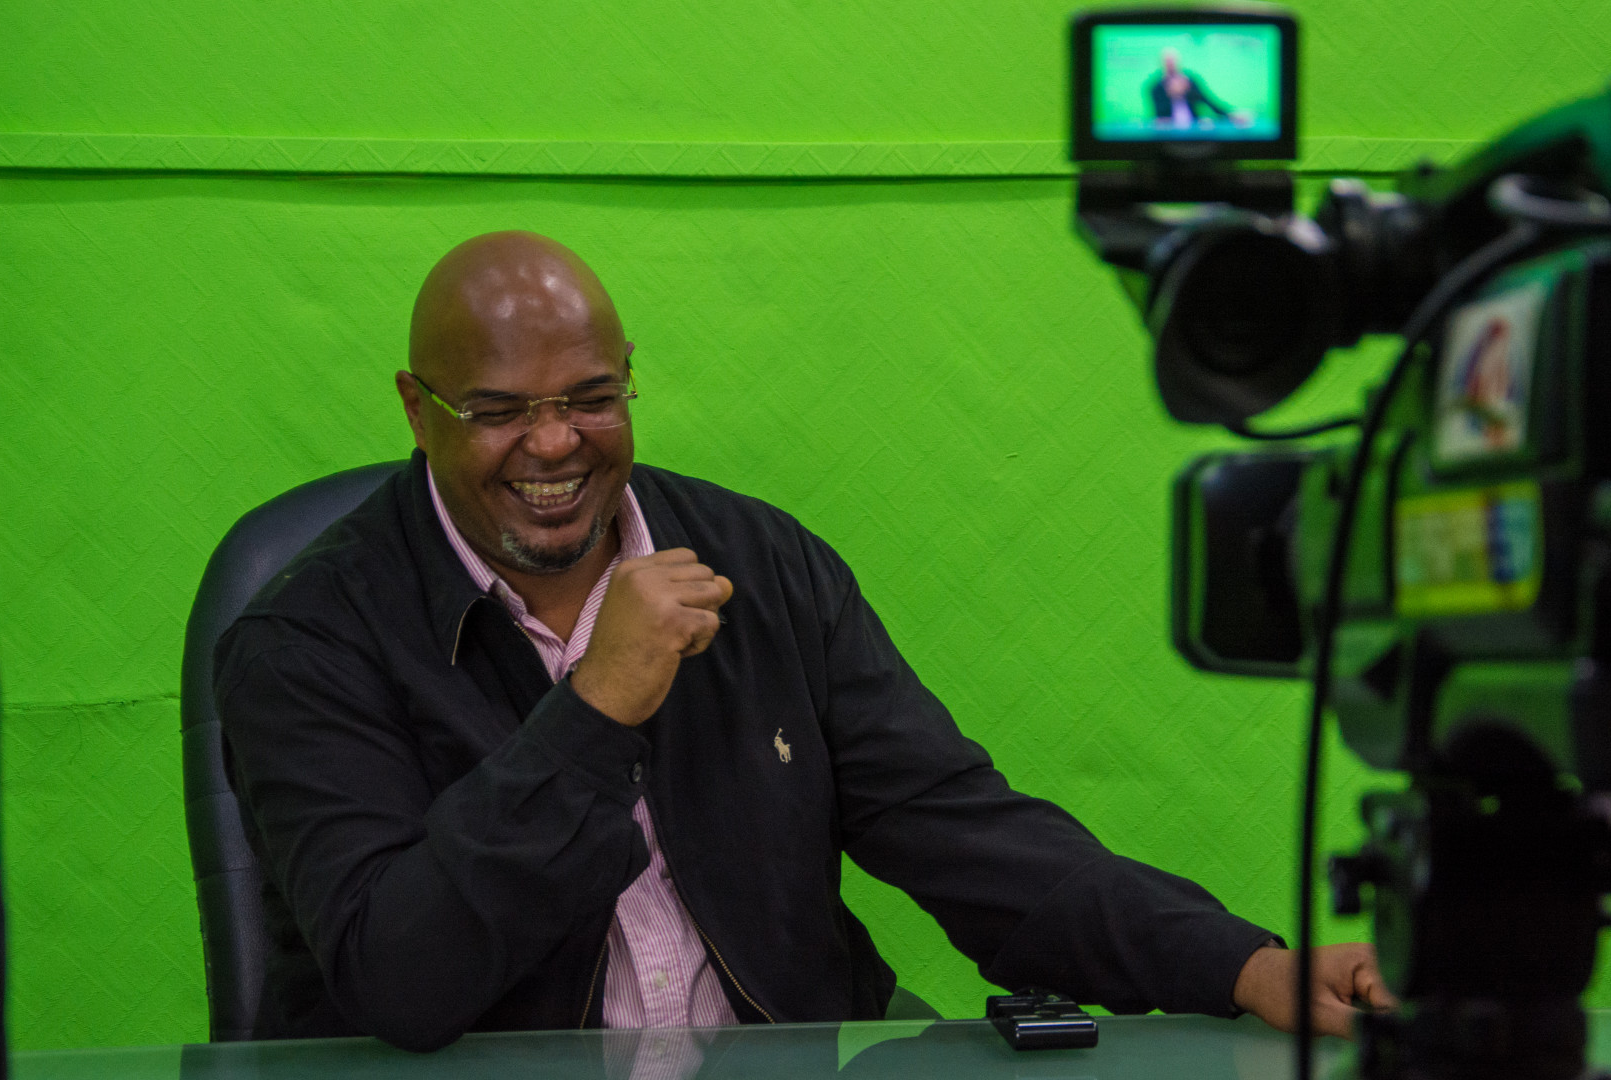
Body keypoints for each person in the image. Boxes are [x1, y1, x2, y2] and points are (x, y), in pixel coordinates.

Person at [215, 231, 1392, 1052]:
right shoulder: (305, 642)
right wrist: (595, 709)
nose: (556, 443)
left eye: (591, 397)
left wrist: (1244, 965)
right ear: (417, 409)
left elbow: (961, 831)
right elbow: (399, 978)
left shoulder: (762, 566)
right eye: (499, 412)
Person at [1148, 48, 1235, 128]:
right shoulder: (1156, 87)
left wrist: (1230, 114)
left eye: (1173, 61)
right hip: (1169, 131)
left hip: (1194, 128)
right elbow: (1159, 115)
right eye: (1167, 61)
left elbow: (1207, 101)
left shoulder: (1190, 81)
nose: (1171, 64)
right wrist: (1172, 95)